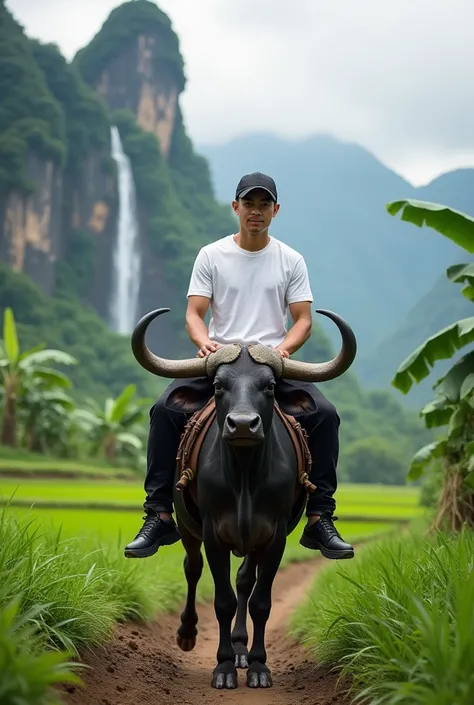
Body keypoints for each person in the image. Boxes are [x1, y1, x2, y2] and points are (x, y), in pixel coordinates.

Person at [124, 172, 355, 561]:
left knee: (326, 416)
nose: (256, 212)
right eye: (249, 204)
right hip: (222, 364)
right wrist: (204, 343)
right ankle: (159, 513)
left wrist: (283, 351)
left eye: (265, 205)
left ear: (275, 211)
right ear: (236, 208)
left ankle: (320, 517)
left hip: (270, 367)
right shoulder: (211, 255)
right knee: (164, 411)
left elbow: (302, 319)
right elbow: (195, 314)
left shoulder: (290, 259)